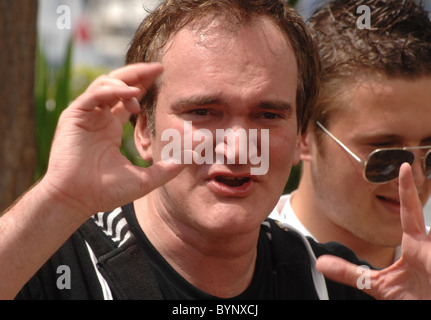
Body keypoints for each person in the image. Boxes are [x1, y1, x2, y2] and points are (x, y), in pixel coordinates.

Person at [1, 0, 430, 301]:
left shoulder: (332, 279)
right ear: (144, 129)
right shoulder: (60, 268)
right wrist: (58, 198)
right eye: (204, 111)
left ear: (299, 133)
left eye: (267, 115)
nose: (238, 147)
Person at [270, 0, 431, 269]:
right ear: (304, 134)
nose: (414, 179)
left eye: (429, 155)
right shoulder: (233, 266)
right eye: (384, 154)